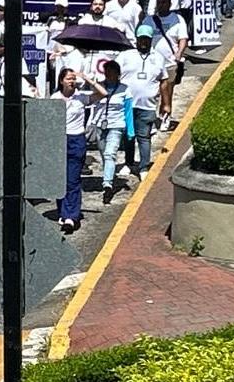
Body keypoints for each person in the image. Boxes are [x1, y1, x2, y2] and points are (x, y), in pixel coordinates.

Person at [52, 69, 106, 233]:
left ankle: (71, 216)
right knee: (60, 179)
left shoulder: (81, 97)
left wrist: (87, 79)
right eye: (68, 79)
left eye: (73, 79)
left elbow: (103, 93)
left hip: (76, 140)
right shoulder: (54, 99)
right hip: (59, 139)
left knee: (73, 180)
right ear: (61, 81)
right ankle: (63, 212)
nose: (71, 81)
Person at [117, 25, 167, 179]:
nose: (143, 42)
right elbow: (113, 71)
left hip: (147, 105)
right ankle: (129, 162)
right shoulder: (126, 55)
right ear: (136, 39)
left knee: (144, 137)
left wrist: (166, 103)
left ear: (151, 39)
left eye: (147, 39)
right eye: (141, 39)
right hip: (127, 104)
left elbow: (164, 80)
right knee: (128, 135)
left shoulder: (158, 57)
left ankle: (144, 166)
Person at [141, 0, 188, 131]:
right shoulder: (149, 20)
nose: (160, 5)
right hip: (152, 63)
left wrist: (179, 53)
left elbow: (183, 38)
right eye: (158, 3)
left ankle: (165, 117)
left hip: (169, 63)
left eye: (163, 2)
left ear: (169, 3)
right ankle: (151, 118)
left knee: (167, 92)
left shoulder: (177, 19)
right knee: (151, 92)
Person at [91, 60, 135, 205]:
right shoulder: (99, 87)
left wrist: (130, 130)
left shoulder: (125, 89)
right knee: (104, 154)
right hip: (100, 125)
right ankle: (108, 176)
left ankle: (107, 185)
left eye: (111, 71)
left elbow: (128, 111)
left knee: (110, 154)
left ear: (118, 73)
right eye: (106, 71)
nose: (108, 74)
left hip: (116, 125)